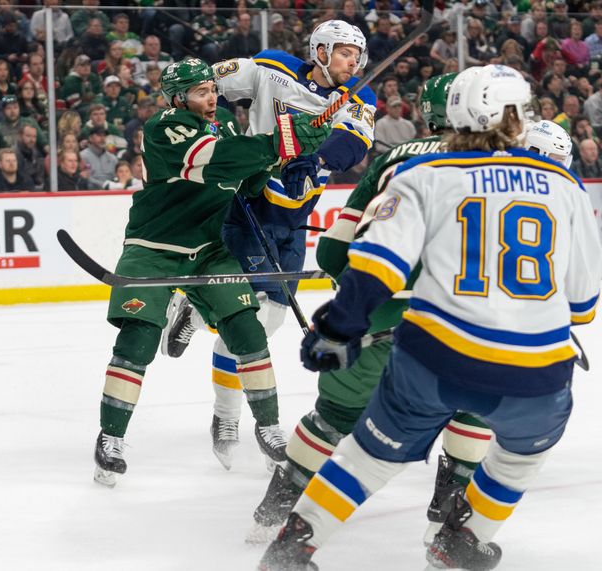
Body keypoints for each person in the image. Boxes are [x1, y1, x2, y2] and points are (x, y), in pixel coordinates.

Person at [260, 64, 602, 571]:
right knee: (517, 459)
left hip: (431, 358)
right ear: (519, 117)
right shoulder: (568, 185)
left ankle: (294, 543)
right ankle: (462, 541)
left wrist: (338, 327)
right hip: (534, 374)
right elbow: (584, 305)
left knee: (366, 455)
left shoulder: (423, 173)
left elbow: (373, 265)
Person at [91, 58, 331, 488]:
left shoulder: (224, 123)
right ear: (178, 98)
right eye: (201, 93)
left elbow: (248, 177)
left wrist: (290, 157)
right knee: (138, 340)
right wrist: (280, 141)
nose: (212, 98)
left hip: (209, 249)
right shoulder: (165, 126)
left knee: (248, 330)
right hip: (154, 248)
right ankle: (110, 438)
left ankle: (268, 427)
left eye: (213, 90)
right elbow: (215, 160)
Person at [163, 20, 376, 470]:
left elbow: (352, 143)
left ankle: (196, 312)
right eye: (343, 52)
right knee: (248, 321)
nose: (352, 61)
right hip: (252, 202)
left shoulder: (359, 97)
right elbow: (208, 84)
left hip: (294, 217)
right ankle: (225, 416)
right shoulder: (270, 67)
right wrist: (207, 120)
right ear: (318, 50)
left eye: (356, 55)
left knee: (269, 321)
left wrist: (316, 159)